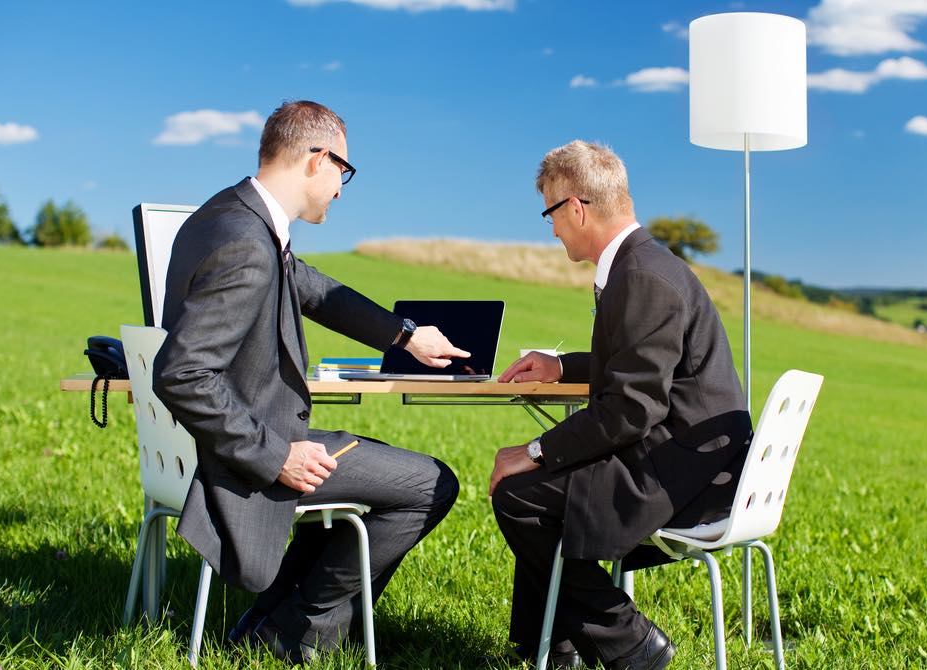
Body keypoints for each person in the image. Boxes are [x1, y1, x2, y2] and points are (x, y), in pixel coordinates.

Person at [153, 100, 462, 664]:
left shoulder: (228, 215)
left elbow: (310, 287)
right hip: (250, 457)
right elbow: (182, 373)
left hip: (233, 440)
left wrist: (405, 334)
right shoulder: (246, 244)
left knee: (374, 463)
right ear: (319, 158)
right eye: (343, 171)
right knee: (432, 484)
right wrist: (277, 457)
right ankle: (300, 631)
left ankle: (273, 617)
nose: (342, 188)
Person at [488, 140, 752, 670]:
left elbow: (632, 409)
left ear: (576, 207)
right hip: (689, 458)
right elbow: (642, 360)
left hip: (682, 475)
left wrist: (537, 449)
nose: (553, 229)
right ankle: (550, 644)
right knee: (531, 486)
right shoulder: (645, 264)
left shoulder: (641, 277)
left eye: (550, 213)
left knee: (519, 494)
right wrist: (563, 366)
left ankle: (629, 645)